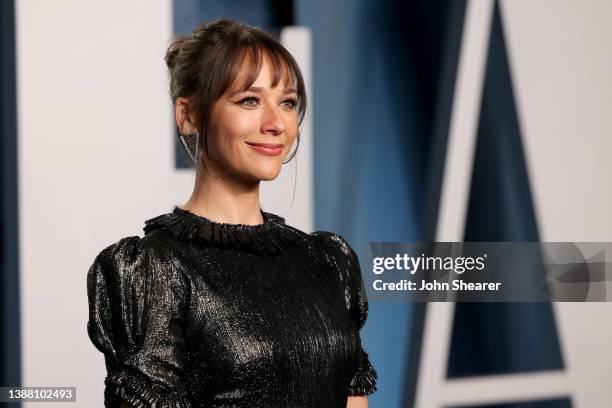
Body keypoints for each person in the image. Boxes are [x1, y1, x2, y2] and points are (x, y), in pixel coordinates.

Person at [86, 19, 377, 408]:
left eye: (287, 102)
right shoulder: (155, 271)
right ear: (188, 115)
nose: (276, 124)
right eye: (249, 101)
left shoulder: (328, 261)